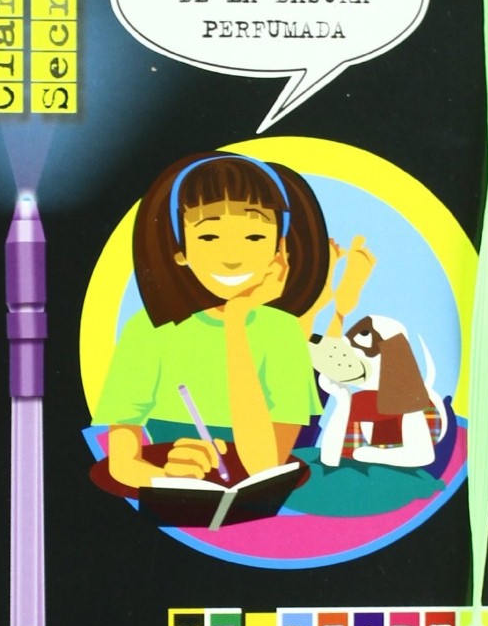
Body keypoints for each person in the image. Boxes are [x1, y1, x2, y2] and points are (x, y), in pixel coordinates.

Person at [91, 151, 331, 487]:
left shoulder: (283, 332)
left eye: (254, 237)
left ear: (280, 250)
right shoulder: (148, 331)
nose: (232, 258)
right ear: (180, 250)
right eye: (208, 237)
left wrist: (236, 320)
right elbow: (122, 463)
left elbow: (265, 466)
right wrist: (168, 477)